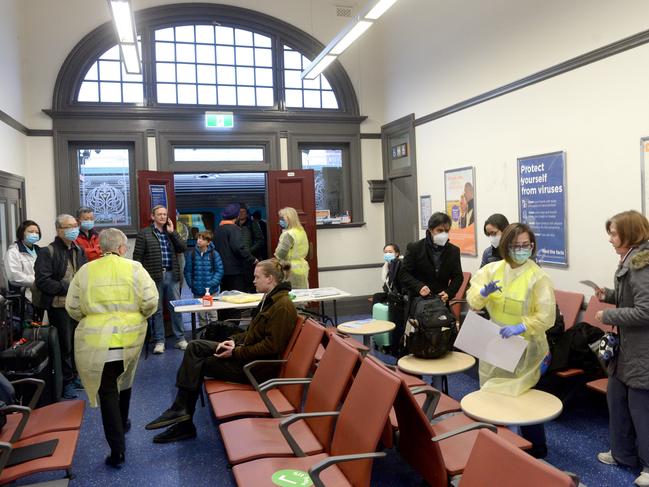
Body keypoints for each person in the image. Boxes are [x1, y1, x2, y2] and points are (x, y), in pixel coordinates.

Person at [144, 259, 297, 443]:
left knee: (198, 363)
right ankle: (181, 412)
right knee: (195, 347)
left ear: (270, 279)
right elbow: (252, 333)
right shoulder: (269, 299)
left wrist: (236, 352)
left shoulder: (282, 306)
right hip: (245, 355)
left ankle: (183, 419)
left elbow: (271, 347)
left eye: (257, 277)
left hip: (256, 368)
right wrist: (232, 342)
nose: (253, 281)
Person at [65, 228, 158, 468]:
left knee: (107, 392)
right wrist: (138, 317)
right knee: (125, 378)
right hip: (129, 338)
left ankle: (117, 451)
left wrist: (92, 318)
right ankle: (124, 419)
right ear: (121, 248)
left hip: (96, 342)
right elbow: (150, 301)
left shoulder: (85, 271)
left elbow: (72, 307)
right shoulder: (135, 268)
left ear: (101, 247)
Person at [466, 222, 555, 457]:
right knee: (494, 393)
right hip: (496, 341)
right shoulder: (492, 270)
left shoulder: (538, 277)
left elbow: (546, 316)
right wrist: (483, 293)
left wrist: (522, 326)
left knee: (523, 397)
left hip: (528, 345)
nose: (522, 249)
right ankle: (501, 446)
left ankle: (536, 448)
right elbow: (473, 302)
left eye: (526, 245)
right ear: (507, 246)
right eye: (516, 245)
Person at [594, 210, 649, 487]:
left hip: (641, 352)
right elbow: (630, 297)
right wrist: (610, 296)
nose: (610, 239)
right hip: (626, 351)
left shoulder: (642, 263)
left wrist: (609, 316)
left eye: (614, 233)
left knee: (641, 408)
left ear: (629, 233)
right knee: (616, 399)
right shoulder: (630, 260)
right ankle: (622, 454)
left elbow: (645, 310)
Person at [34, 214, 88, 399]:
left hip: (78, 305)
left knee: (78, 343)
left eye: (75, 225)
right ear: (59, 230)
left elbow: (84, 274)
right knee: (64, 346)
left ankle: (76, 376)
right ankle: (66, 383)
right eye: (69, 226)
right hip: (59, 307)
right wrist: (68, 287)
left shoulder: (79, 250)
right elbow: (43, 281)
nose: (74, 229)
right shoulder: (47, 252)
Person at [133, 205, 187, 354]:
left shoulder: (170, 233)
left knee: (176, 308)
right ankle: (159, 341)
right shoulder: (144, 234)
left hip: (172, 275)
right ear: (153, 216)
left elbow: (182, 248)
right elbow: (137, 258)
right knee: (157, 310)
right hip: (154, 277)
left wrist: (173, 232)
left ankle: (180, 339)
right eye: (159, 214)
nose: (163, 217)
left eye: (165, 214)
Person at [400, 212, 463, 306]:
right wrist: (419, 287)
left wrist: (449, 293)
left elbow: (458, 277)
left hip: (441, 302)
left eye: (446, 231)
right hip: (418, 301)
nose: (444, 234)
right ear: (430, 230)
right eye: (440, 230)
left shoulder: (453, 251)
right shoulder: (415, 248)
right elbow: (404, 274)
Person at [213, 203, 257, 321]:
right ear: (237, 216)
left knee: (223, 299)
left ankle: (222, 324)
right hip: (235, 271)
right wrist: (253, 259)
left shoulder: (218, 229)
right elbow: (238, 248)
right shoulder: (234, 229)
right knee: (235, 300)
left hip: (221, 271)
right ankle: (232, 326)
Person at [184, 230, 224, 326]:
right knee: (201, 316)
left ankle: (214, 335)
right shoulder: (192, 254)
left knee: (213, 314)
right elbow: (187, 271)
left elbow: (219, 270)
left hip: (212, 291)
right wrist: (191, 284)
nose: (199, 241)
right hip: (197, 290)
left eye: (202, 239)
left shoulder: (214, 254)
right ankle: (203, 336)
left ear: (208, 242)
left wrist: (212, 283)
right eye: (198, 238)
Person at [4, 220, 41, 302]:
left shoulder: (40, 251)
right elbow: (14, 277)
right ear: (22, 233)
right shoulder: (13, 252)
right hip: (24, 297)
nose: (34, 234)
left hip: (40, 295)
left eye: (37, 232)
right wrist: (40, 281)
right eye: (31, 231)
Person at [274, 207, 309, 289]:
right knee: (302, 295)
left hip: (289, 268)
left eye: (282, 218)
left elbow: (281, 253)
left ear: (289, 219)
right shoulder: (301, 231)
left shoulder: (289, 234)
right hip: (302, 267)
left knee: (290, 295)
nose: (280, 221)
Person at [236, 204, 265, 291]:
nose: (241, 214)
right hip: (238, 260)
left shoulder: (253, 224)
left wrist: (249, 251)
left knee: (251, 283)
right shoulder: (234, 225)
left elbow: (260, 240)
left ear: (247, 213)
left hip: (251, 259)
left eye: (243, 211)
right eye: (239, 212)